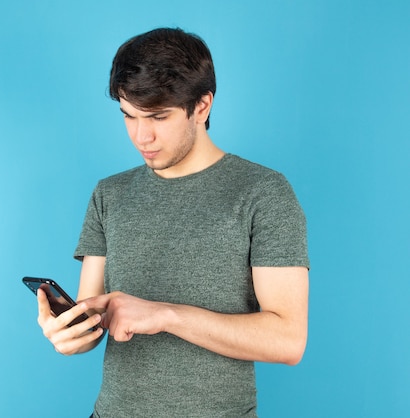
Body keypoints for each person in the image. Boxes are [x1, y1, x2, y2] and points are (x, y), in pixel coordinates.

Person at [36, 27, 309, 417]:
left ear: (202, 106)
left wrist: (167, 315)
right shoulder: (109, 194)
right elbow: (95, 318)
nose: (140, 136)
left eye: (158, 117)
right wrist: (69, 334)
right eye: (128, 116)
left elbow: (288, 340)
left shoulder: (263, 193)